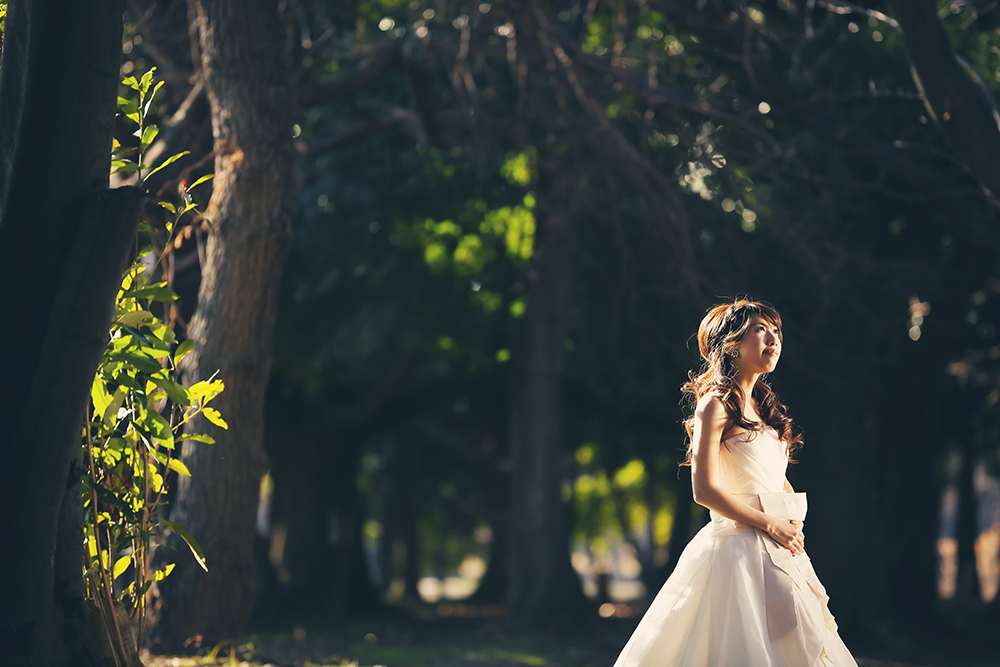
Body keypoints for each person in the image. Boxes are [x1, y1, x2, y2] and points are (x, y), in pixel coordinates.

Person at [613, 300, 857, 667]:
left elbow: (777, 478)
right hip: (736, 553)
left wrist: (791, 523)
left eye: (776, 331)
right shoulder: (714, 405)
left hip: (779, 547)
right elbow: (704, 491)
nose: (773, 338)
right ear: (731, 345)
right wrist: (769, 523)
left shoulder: (765, 408)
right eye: (761, 329)